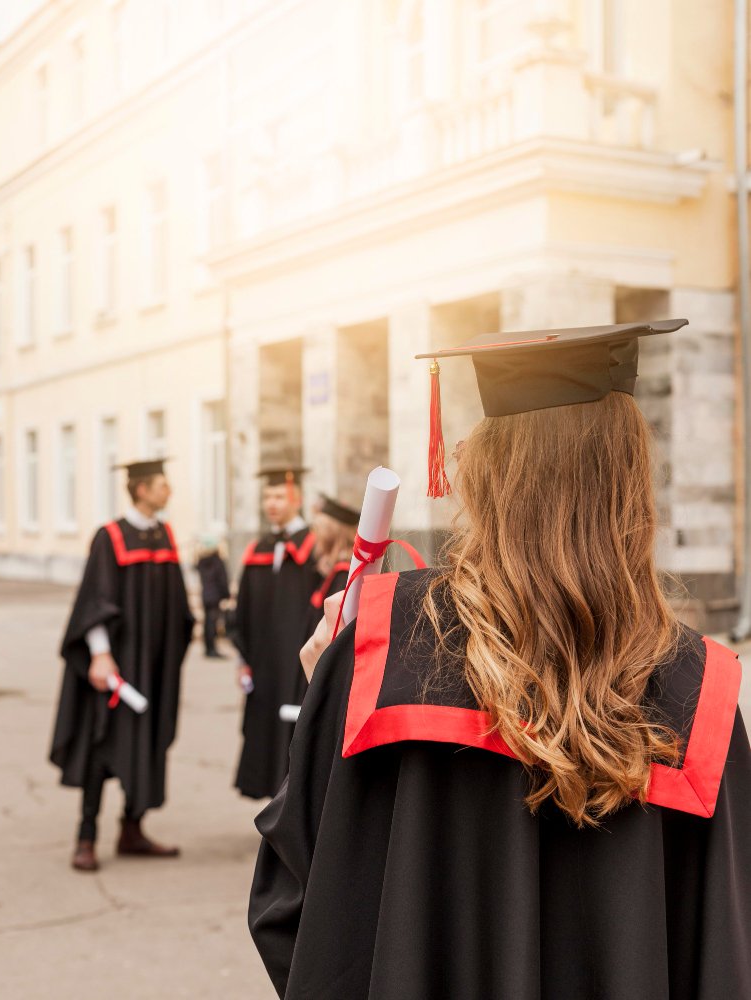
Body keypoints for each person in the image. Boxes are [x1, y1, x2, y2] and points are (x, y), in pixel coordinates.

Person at [249, 320, 751, 999]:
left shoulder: (384, 642)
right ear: (632, 479)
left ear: (481, 469)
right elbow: (724, 949)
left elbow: (297, 907)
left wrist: (327, 696)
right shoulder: (698, 685)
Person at [50, 460, 194, 872]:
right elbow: (95, 599)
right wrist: (99, 654)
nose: (169, 492)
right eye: (163, 485)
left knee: (148, 739)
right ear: (142, 489)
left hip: (155, 663)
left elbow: (177, 604)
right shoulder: (110, 537)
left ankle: (132, 828)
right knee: (102, 743)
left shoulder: (163, 534)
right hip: (118, 662)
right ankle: (86, 836)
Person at [232, 467, 320, 799]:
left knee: (295, 734)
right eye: (267, 497)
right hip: (264, 664)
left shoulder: (313, 548)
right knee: (266, 732)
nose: (272, 503)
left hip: (297, 662)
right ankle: (272, 806)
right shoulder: (258, 549)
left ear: (296, 498)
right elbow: (242, 611)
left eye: (279, 496)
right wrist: (243, 659)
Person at [307, 493, 360, 630]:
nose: (314, 535)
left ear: (330, 534)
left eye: (317, 530)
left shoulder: (344, 574)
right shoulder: (332, 570)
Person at [195, 536, 230, 659]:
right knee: (212, 623)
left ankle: (208, 648)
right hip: (215, 596)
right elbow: (222, 579)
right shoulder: (217, 561)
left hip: (205, 595)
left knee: (207, 623)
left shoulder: (202, 562)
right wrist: (226, 594)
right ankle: (212, 649)